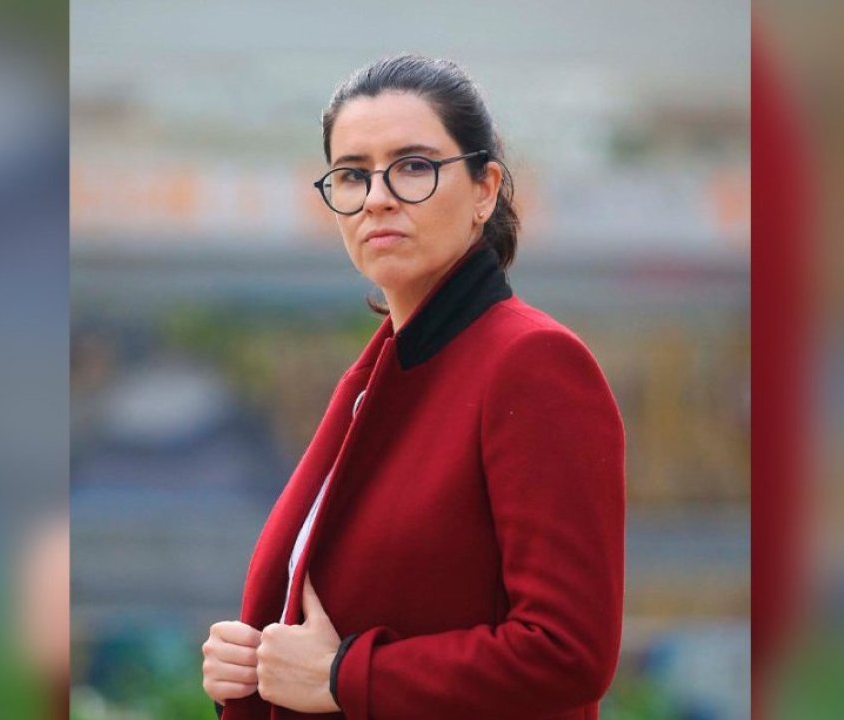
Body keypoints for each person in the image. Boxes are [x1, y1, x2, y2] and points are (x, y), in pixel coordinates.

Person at [202, 53, 625, 720]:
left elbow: (567, 652)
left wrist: (346, 676)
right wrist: (251, 661)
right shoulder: (378, 377)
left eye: (413, 167)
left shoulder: (532, 363)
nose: (377, 197)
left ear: (485, 189)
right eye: (352, 174)